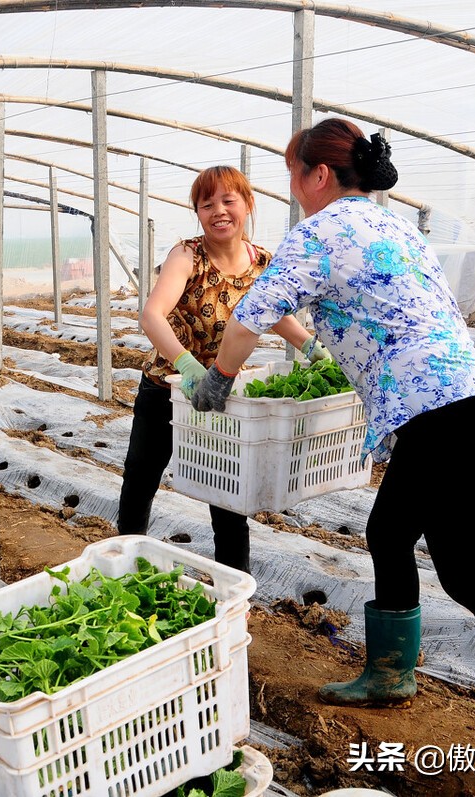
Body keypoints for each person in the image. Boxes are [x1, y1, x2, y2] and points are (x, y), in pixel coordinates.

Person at [191, 118, 475, 796]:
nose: (292, 188)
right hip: (456, 403)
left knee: (469, 572)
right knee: (388, 531)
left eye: (293, 173)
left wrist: (219, 380)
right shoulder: (393, 224)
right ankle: (389, 673)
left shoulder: (319, 231)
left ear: (319, 175)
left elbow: (248, 317)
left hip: (446, 415)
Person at [116, 165, 321, 574]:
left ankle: (234, 589)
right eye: (207, 204)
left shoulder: (262, 261)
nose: (219, 211)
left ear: (247, 205)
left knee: (228, 495)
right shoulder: (187, 254)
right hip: (169, 388)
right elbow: (152, 315)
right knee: (141, 478)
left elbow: (274, 314)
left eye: (229, 201)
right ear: (197, 212)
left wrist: (312, 348)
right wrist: (187, 365)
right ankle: (123, 563)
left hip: (224, 394)